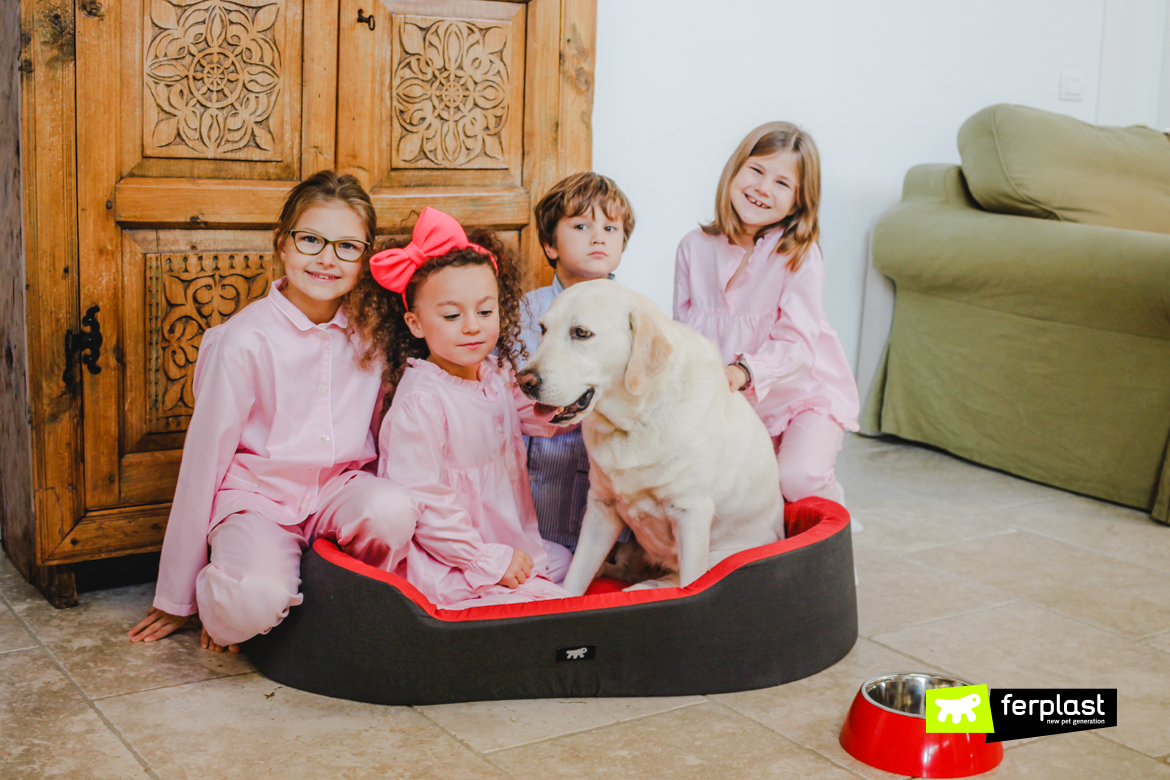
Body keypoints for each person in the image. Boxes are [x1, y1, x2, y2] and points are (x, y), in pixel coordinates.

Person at [128, 171, 419, 652]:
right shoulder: (244, 340)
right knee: (248, 603)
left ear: (365, 258)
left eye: (348, 247)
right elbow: (204, 462)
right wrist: (177, 597)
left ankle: (327, 584)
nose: (327, 258)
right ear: (283, 244)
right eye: (311, 240)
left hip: (337, 493)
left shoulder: (373, 334)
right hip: (258, 499)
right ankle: (243, 581)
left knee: (393, 510)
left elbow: (383, 432)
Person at [347, 207, 571, 609]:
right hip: (452, 554)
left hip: (505, 535)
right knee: (548, 603)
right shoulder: (422, 401)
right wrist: (484, 559)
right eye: (452, 315)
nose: (472, 326)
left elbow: (530, 413)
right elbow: (425, 503)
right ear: (415, 324)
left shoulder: (493, 372)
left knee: (565, 561)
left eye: (485, 311)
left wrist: (564, 399)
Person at [673, 122, 860, 510]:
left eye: (782, 183)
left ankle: (833, 537)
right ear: (734, 170)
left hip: (803, 397)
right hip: (736, 408)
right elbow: (684, 336)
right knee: (734, 494)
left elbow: (797, 346)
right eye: (756, 171)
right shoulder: (694, 248)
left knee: (798, 477)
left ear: (798, 201)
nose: (762, 188)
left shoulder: (799, 255)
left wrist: (743, 372)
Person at [518, 172, 635, 551]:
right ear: (551, 245)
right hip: (536, 466)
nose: (598, 236)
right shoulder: (525, 311)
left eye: (610, 227)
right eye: (582, 225)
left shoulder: (632, 316)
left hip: (601, 466)